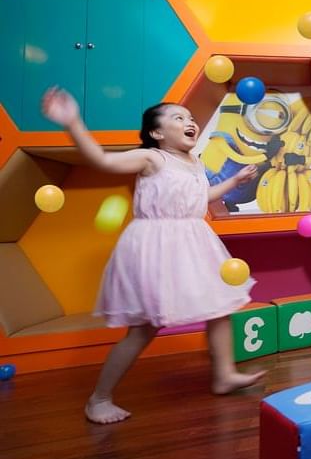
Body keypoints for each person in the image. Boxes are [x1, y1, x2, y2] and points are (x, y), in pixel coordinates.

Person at [41, 88, 265, 424]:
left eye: (190, 118)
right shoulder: (152, 158)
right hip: (155, 246)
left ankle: (224, 375)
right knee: (144, 328)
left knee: (221, 307)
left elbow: (201, 199)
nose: (188, 122)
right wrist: (72, 122)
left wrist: (234, 180)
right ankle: (99, 398)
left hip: (193, 241)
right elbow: (101, 160)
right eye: (178, 118)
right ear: (157, 133)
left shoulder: (195, 161)